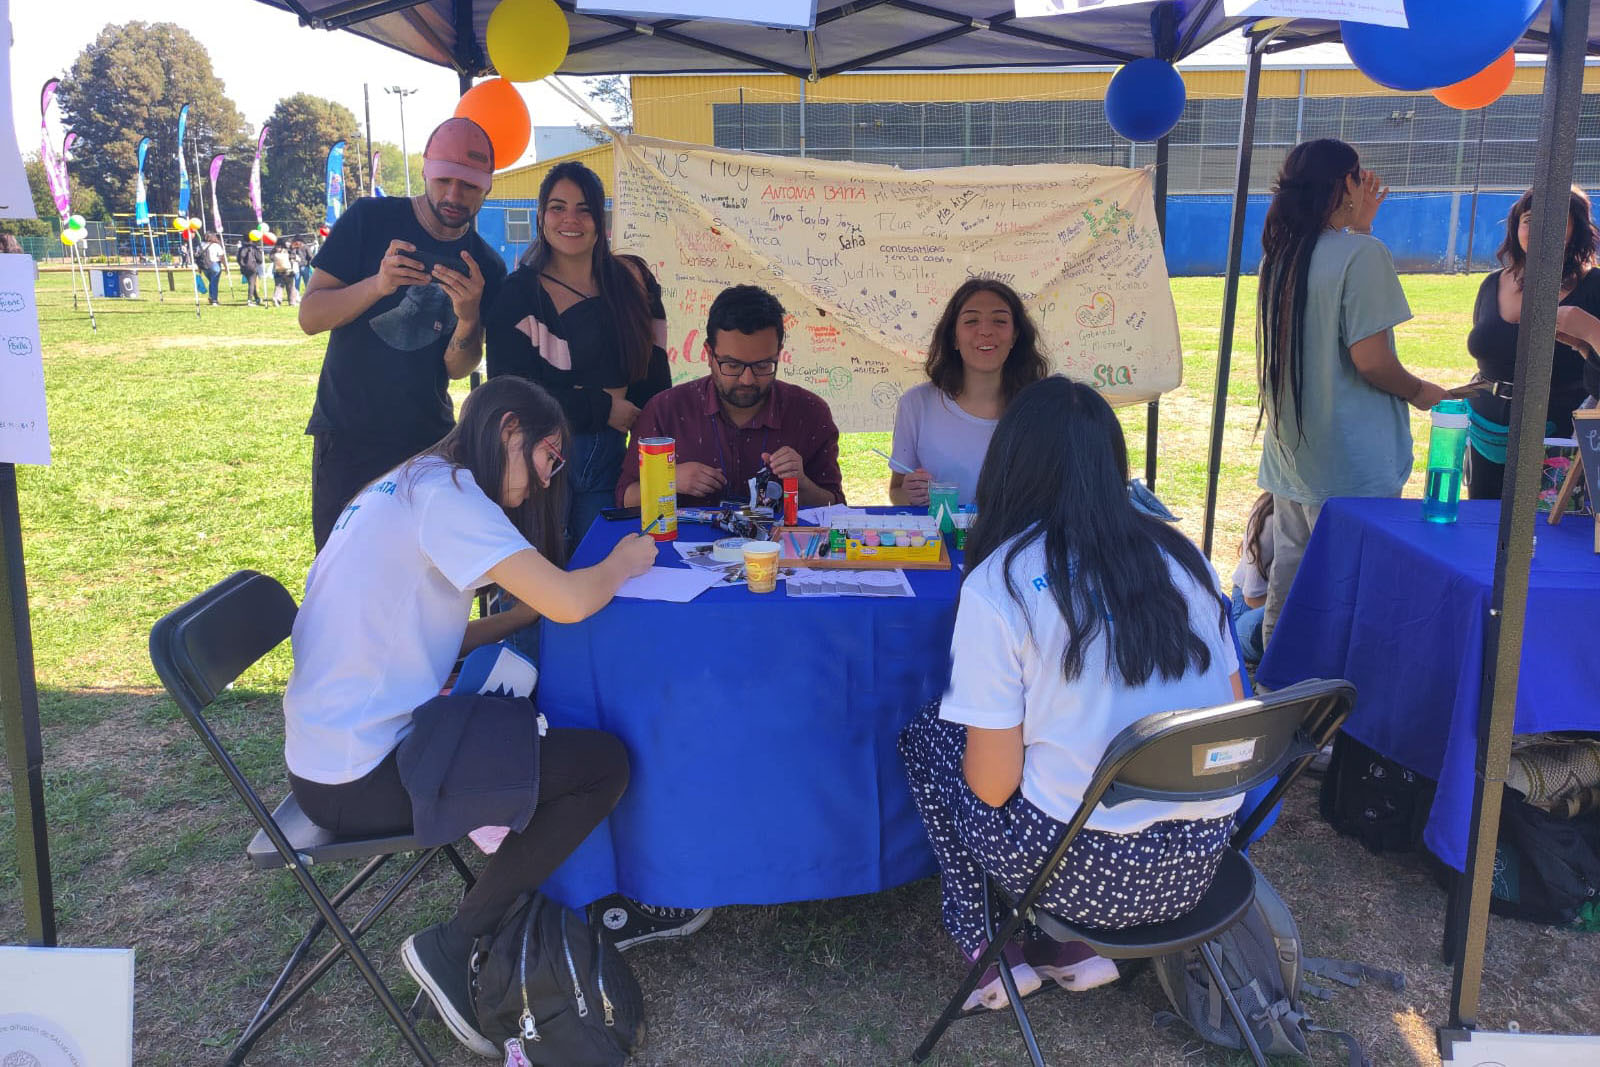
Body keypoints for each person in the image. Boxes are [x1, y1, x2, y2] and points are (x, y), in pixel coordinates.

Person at [284, 375, 656, 1056]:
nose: (547, 481)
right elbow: (574, 600)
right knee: (601, 765)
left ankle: (477, 924)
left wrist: (517, 616)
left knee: (532, 729)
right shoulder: (450, 497)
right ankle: (452, 945)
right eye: (549, 458)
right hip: (361, 774)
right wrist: (625, 561)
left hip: (330, 754)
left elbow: (433, 635)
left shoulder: (413, 480)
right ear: (508, 428)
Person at [899, 376, 1244, 1011]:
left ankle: (993, 947)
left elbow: (993, 789)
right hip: (1205, 864)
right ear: (1116, 463)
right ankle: (1063, 949)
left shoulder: (998, 585)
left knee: (929, 740)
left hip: (1086, 881)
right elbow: (1225, 714)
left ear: (1008, 465)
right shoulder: (1186, 558)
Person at [1255, 138, 1446, 646]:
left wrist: (1357, 227)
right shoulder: (1363, 255)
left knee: (1291, 584)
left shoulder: (1281, 253)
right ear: (1345, 185)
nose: (1369, 185)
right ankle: (1342, 710)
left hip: (1294, 456)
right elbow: (1372, 361)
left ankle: (1279, 694)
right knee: (1353, 595)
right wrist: (1421, 390)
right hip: (1352, 463)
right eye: (1361, 176)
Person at [299, 116, 508, 551]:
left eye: (468, 186)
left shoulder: (487, 265)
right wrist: (378, 285)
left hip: (428, 441)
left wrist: (469, 317)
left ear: (487, 187)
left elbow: (457, 368)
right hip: (349, 433)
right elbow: (310, 316)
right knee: (342, 570)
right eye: (444, 180)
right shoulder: (370, 219)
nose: (454, 196)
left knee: (421, 574)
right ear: (426, 172)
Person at [485, 161, 671, 546]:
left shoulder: (632, 281)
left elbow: (654, 371)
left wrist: (648, 435)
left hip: (613, 462)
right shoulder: (517, 294)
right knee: (538, 585)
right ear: (540, 216)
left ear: (600, 219)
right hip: (537, 461)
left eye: (584, 208)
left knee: (605, 572)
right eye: (558, 207)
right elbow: (510, 391)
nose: (571, 219)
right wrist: (602, 407)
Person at [615, 285, 845, 510]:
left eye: (763, 365)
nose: (747, 380)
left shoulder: (809, 412)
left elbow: (835, 506)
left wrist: (802, 484)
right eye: (732, 365)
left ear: (779, 353)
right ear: (708, 354)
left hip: (778, 548)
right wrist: (669, 480)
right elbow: (624, 498)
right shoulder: (666, 410)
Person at [1465, 186, 1600, 499]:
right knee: (1482, 533)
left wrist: (1589, 328)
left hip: (1561, 441)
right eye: (1529, 219)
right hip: (1487, 435)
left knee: (1545, 537)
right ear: (1516, 226)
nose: (1539, 229)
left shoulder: (1594, 286)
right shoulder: (1491, 283)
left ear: (1575, 230)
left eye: (1554, 220)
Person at [889, 279, 1048, 507]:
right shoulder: (916, 404)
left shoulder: (1042, 408)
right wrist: (910, 495)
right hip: (943, 543)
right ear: (954, 337)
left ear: (1015, 336)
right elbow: (897, 491)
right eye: (971, 321)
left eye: (1000, 321)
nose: (985, 331)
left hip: (1017, 542)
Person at [1229, 492, 1274, 666]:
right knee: (1259, 628)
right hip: (1251, 607)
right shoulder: (1270, 518)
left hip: (1285, 604)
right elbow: (1252, 598)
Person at [237, 237, 264, 307]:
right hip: (252, 267)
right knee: (251, 284)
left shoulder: (241, 248)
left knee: (252, 283)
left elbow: (238, 259)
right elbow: (260, 259)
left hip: (244, 268)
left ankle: (257, 298)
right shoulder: (254, 248)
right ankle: (250, 300)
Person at [271, 238, 296, 307]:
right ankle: (292, 302)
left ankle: (277, 299)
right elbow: (293, 257)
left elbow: (271, 258)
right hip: (288, 272)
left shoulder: (274, 251)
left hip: (277, 272)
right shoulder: (288, 250)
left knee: (278, 286)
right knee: (290, 287)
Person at [201, 232, 224, 306]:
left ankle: (211, 297)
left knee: (211, 282)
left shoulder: (201, 245)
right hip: (215, 264)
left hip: (204, 266)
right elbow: (221, 257)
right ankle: (214, 299)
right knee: (214, 283)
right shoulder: (216, 245)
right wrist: (225, 266)